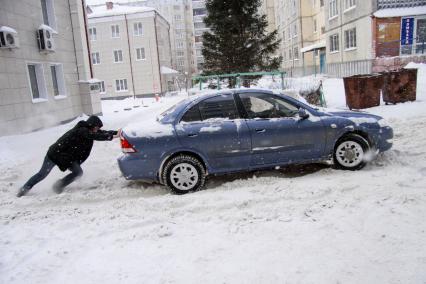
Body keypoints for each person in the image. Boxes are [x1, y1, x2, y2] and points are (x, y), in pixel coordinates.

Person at [17, 116, 118, 197]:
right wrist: (111, 137)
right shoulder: (82, 131)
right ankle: (24, 189)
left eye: (98, 128)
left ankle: (58, 186)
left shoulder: (89, 130)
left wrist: (117, 132)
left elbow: (102, 132)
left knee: (78, 172)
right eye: (96, 127)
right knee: (42, 174)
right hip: (54, 154)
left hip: (66, 157)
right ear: (91, 125)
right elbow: (94, 136)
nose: (97, 130)